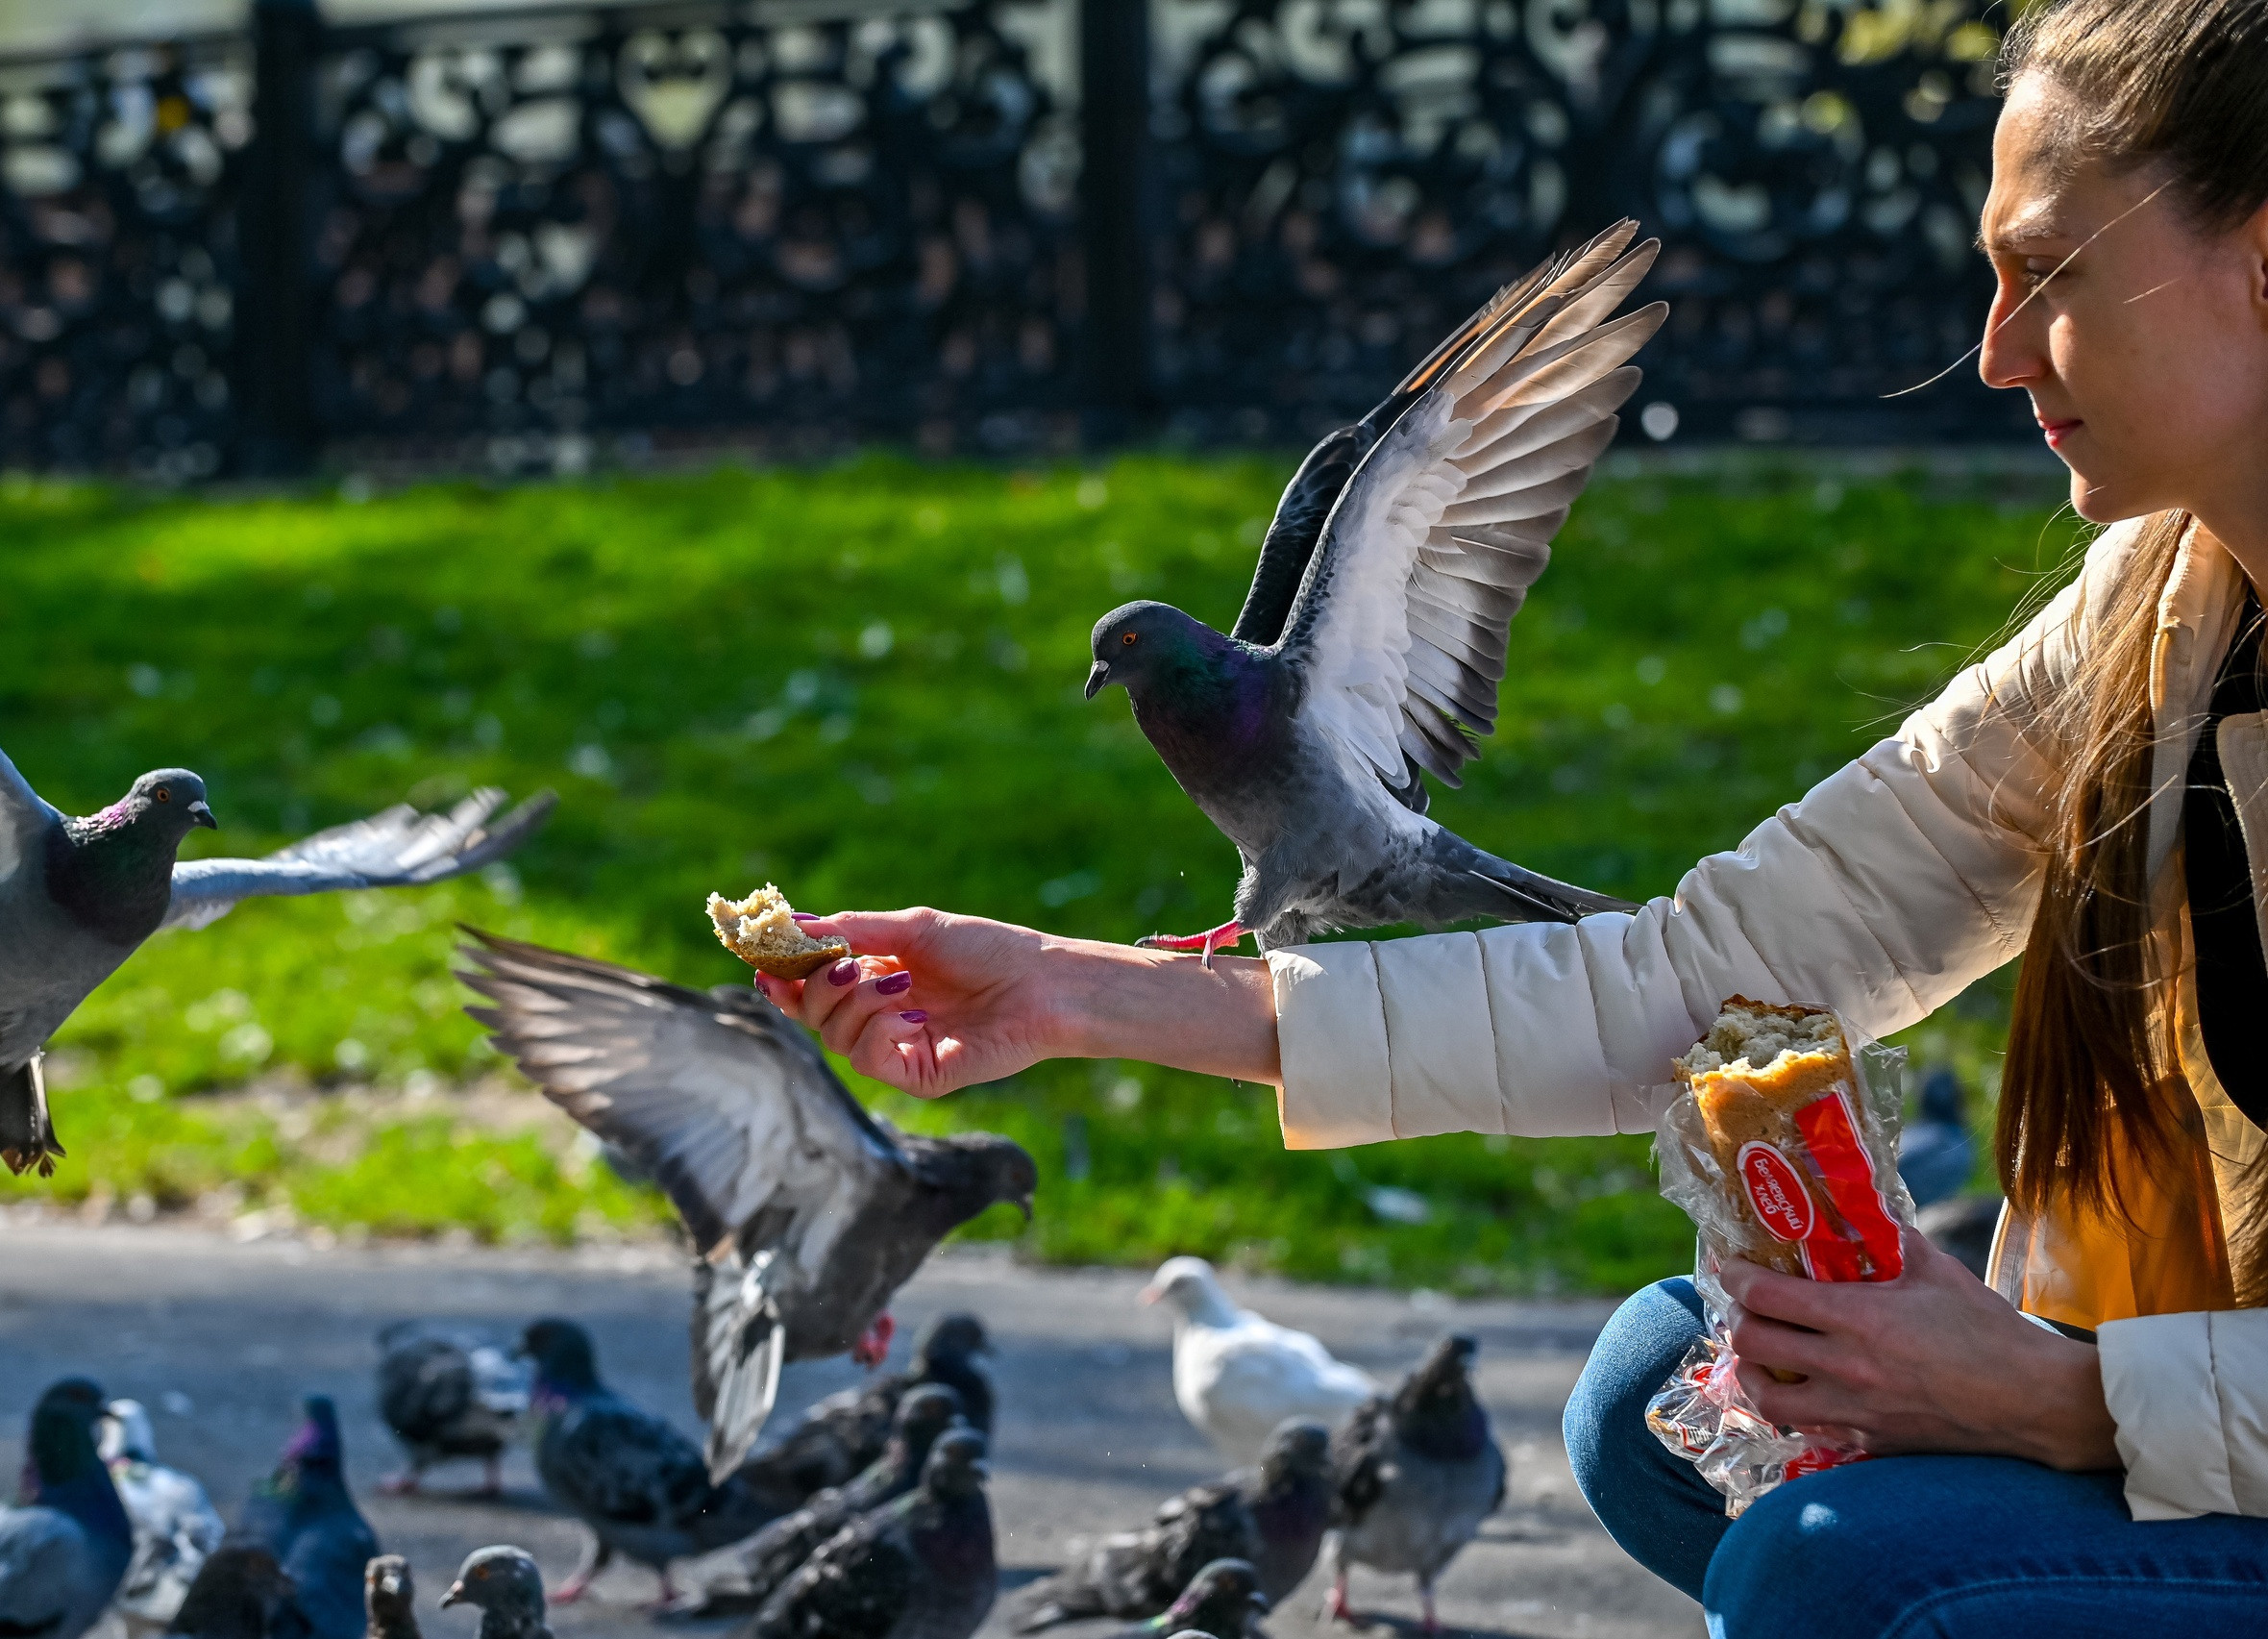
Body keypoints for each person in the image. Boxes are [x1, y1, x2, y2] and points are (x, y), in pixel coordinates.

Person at [757, 0, 2268, 1627]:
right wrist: (1076, 990)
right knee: (1655, 1400)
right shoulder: (2160, 608)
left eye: (2047, 273)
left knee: (1830, 1565)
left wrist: (2058, 1399)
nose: (1991, 346)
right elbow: (1698, 974)